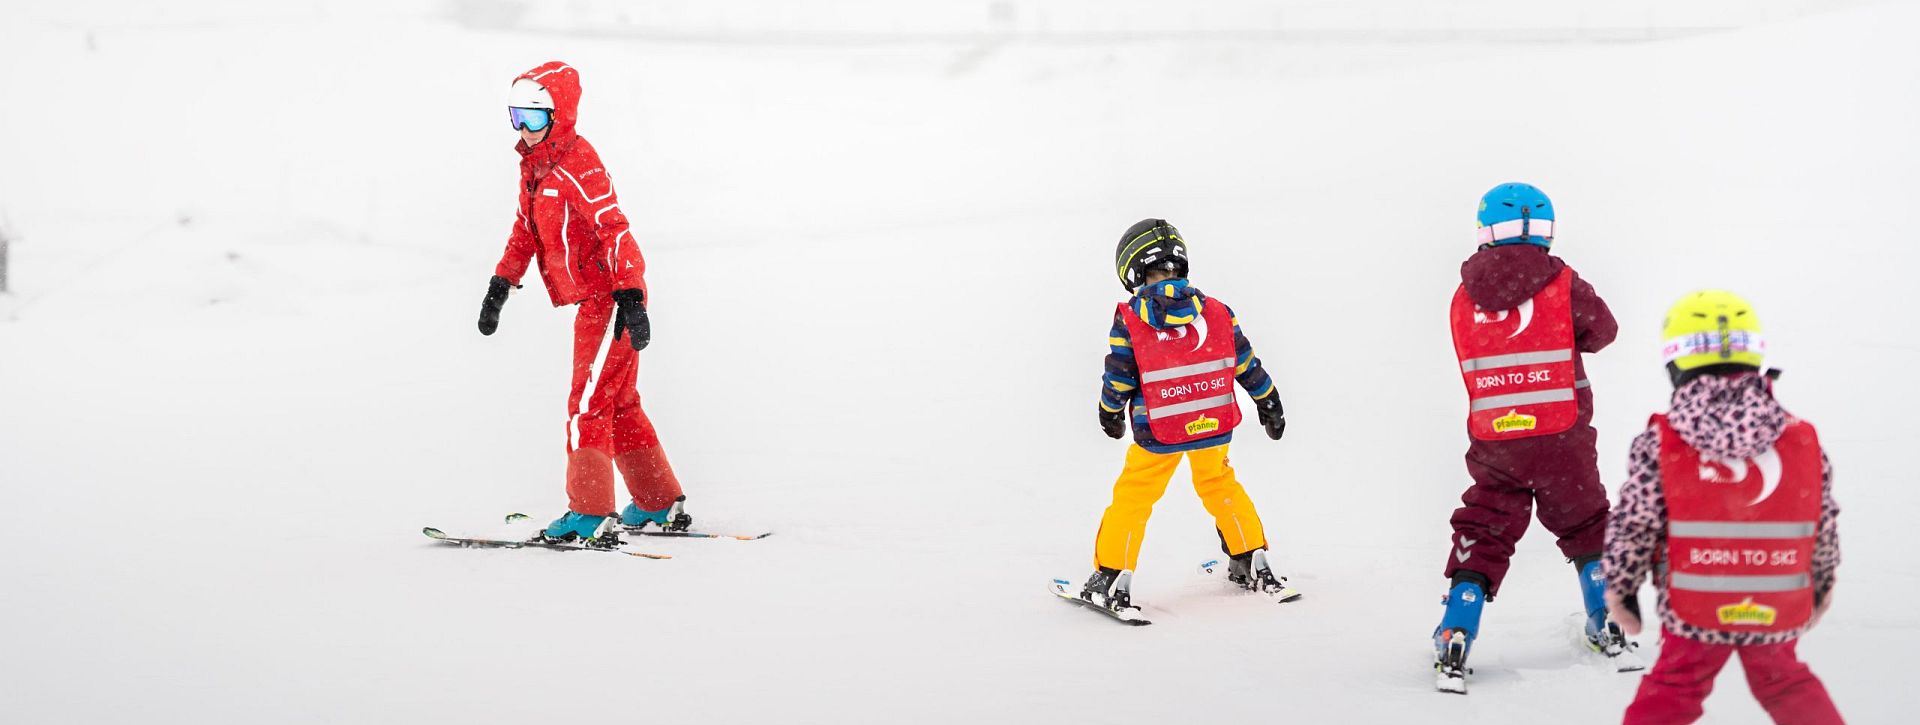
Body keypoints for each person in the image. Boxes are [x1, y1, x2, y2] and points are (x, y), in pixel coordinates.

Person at [476, 61, 691, 547]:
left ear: (560, 115)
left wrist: (631, 296)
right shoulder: (535, 167)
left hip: (613, 298)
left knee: (587, 406)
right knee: (617, 403)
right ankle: (656, 500)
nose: (524, 131)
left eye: (533, 119)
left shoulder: (578, 163)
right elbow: (524, 231)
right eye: (516, 117)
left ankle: (588, 512)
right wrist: (501, 283)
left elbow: (615, 227)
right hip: (595, 300)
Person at [1605, 290, 1843, 724]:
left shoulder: (1662, 441)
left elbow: (1635, 523)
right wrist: (1822, 581)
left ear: (1675, 364)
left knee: (1675, 687)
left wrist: (1621, 587)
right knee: (1785, 682)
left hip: (1695, 601)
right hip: (1774, 600)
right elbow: (1820, 520)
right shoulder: (1801, 439)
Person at [1433, 183, 1626, 689]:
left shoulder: (1463, 295)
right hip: (1564, 433)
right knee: (1586, 522)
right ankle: (1605, 615)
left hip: (1498, 439)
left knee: (1488, 525)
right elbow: (1603, 332)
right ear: (1546, 230)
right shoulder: (1562, 282)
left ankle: (1458, 625)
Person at [1075, 219, 1297, 619]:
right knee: (1218, 482)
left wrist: (1109, 411)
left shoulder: (1131, 316)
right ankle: (1251, 557)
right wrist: (1269, 401)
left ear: (1131, 270)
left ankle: (1109, 577)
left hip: (1159, 431)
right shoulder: (1215, 311)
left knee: (1135, 496)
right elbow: (1244, 362)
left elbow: (1119, 374)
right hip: (1213, 425)